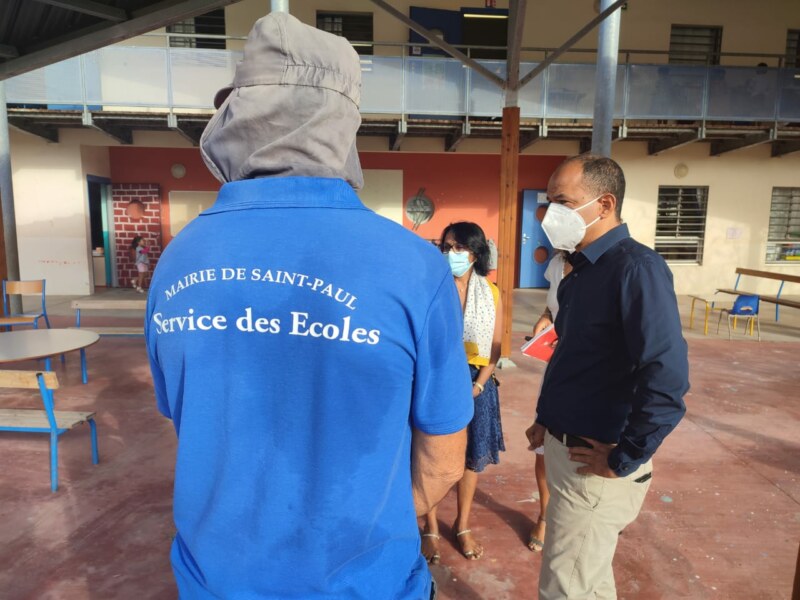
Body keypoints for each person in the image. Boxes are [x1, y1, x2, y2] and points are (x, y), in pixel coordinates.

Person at [145, 13, 473, 600]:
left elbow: (185, 421)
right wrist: (358, 534)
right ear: (342, 124)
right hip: (362, 583)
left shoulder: (179, 258)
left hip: (215, 581)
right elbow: (446, 459)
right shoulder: (412, 265)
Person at [525, 154, 689, 599]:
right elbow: (571, 356)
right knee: (586, 580)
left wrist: (625, 457)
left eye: (562, 201)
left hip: (595, 465)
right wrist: (547, 416)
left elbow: (667, 379)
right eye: (549, 200)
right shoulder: (580, 271)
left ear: (604, 204)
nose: (550, 212)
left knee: (566, 586)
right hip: (568, 451)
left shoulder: (636, 269)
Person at [421, 222, 504, 564]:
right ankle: (429, 527)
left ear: (475, 253)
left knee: (472, 455)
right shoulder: (430, 287)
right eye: (446, 247)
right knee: (431, 450)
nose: (450, 254)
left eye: (458, 248)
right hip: (438, 375)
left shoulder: (491, 292)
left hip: (476, 380)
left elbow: (496, 349)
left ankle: (463, 523)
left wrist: (480, 383)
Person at [526, 250, 571, 553]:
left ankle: (572, 518)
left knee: (578, 450)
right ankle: (544, 515)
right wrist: (545, 318)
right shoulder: (557, 263)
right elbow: (552, 305)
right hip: (555, 368)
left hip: (593, 375)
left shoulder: (610, 263)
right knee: (543, 447)